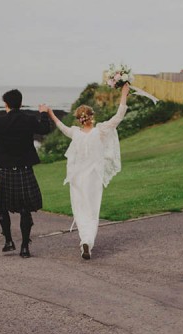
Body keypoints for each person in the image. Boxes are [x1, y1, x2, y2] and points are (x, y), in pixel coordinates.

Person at [47, 83, 130, 260]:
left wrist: (51, 113)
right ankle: (87, 241)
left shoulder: (75, 133)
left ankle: (84, 240)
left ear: (79, 119)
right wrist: (124, 93)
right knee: (93, 211)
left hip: (77, 178)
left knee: (80, 210)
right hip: (93, 177)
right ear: (91, 117)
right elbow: (118, 116)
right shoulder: (100, 131)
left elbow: (61, 126)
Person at [0, 89, 51, 258]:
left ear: (5, 104)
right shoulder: (28, 120)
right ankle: (25, 248)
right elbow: (44, 128)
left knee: (1, 206)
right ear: (20, 103)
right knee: (25, 209)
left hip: (5, 171)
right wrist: (43, 113)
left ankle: (8, 241)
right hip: (24, 171)